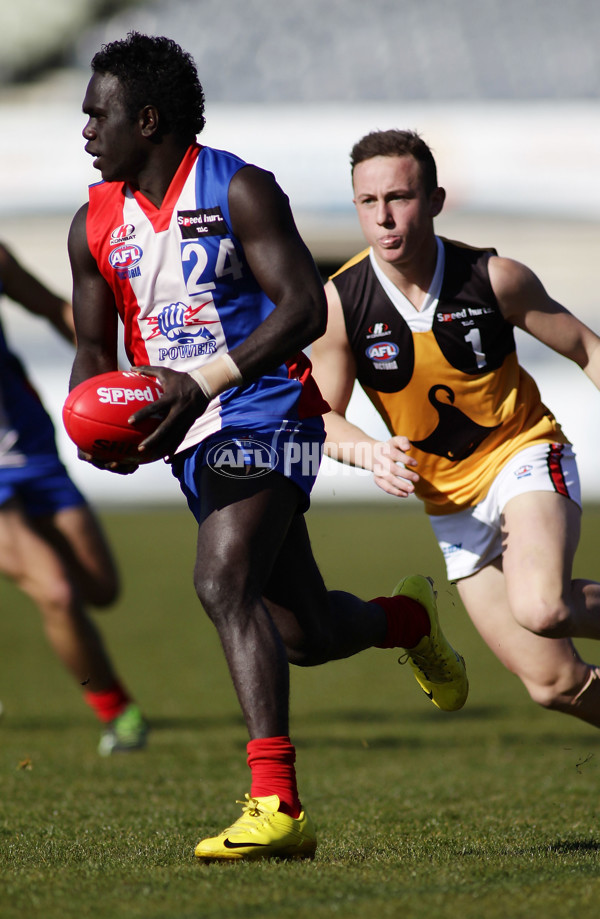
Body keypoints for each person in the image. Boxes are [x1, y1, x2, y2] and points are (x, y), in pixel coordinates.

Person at [67, 34, 468, 862]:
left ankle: (276, 804)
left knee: (221, 578)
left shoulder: (239, 188)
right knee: (303, 633)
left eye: (97, 114)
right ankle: (406, 618)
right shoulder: (92, 224)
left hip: (269, 409)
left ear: (147, 120)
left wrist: (201, 382)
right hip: (190, 434)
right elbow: (94, 356)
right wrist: (93, 430)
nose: (85, 131)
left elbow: (303, 311)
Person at [310, 128, 600, 738]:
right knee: (555, 685)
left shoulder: (494, 278)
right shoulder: (340, 303)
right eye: (369, 202)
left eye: (401, 197)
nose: (385, 218)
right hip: (449, 503)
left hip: (523, 454)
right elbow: (319, 417)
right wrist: (369, 453)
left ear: (436, 200)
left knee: (542, 606)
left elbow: (586, 348)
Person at [0, 240, 148, 755]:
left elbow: (56, 310)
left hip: (32, 451)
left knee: (100, 589)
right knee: (57, 592)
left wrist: (114, 379)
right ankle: (119, 714)